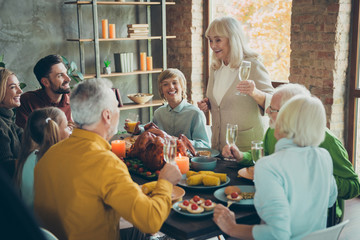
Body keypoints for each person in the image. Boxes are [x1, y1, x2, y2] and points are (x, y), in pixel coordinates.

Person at [34, 78, 182, 240]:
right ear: (107, 115)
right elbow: (151, 221)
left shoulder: (49, 155)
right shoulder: (105, 163)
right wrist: (166, 182)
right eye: (117, 108)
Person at [223, 83, 360, 223]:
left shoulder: (327, 141)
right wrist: (241, 155)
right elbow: (265, 156)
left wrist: (317, 176)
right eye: (269, 107)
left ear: (292, 114)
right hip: (285, 204)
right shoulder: (273, 131)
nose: (268, 112)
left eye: (273, 109)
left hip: (321, 217)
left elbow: (354, 186)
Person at [214, 95, 338, 239]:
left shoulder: (268, 166)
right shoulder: (324, 156)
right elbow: (330, 200)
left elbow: (277, 234)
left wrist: (232, 228)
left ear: (282, 125)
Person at [197, 16, 274, 152]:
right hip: (219, 147)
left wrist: (254, 92)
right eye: (210, 40)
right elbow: (222, 102)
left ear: (232, 39)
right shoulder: (215, 67)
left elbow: (274, 104)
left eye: (218, 40)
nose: (213, 45)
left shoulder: (253, 65)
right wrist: (208, 104)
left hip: (246, 148)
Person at [126, 68, 210, 148]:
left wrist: (177, 141)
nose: (171, 87)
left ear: (182, 87)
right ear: (161, 90)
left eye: (174, 82)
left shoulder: (195, 114)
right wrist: (137, 130)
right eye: (165, 84)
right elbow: (152, 130)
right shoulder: (159, 113)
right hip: (162, 158)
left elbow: (205, 145)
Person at [15, 107, 71, 210]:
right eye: (67, 127)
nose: (70, 131)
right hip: (47, 222)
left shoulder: (29, 158)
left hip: (32, 221)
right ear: (54, 131)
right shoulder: (56, 161)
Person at [16, 54, 72, 128]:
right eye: (60, 75)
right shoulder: (27, 101)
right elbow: (25, 137)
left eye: (66, 73)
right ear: (45, 82)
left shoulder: (75, 99)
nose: (68, 79)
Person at [0, 67, 23, 179]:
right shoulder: (1, 125)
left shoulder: (8, 120)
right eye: (13, 87)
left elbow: (28, 139)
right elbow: (6, 167)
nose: (20, 91)